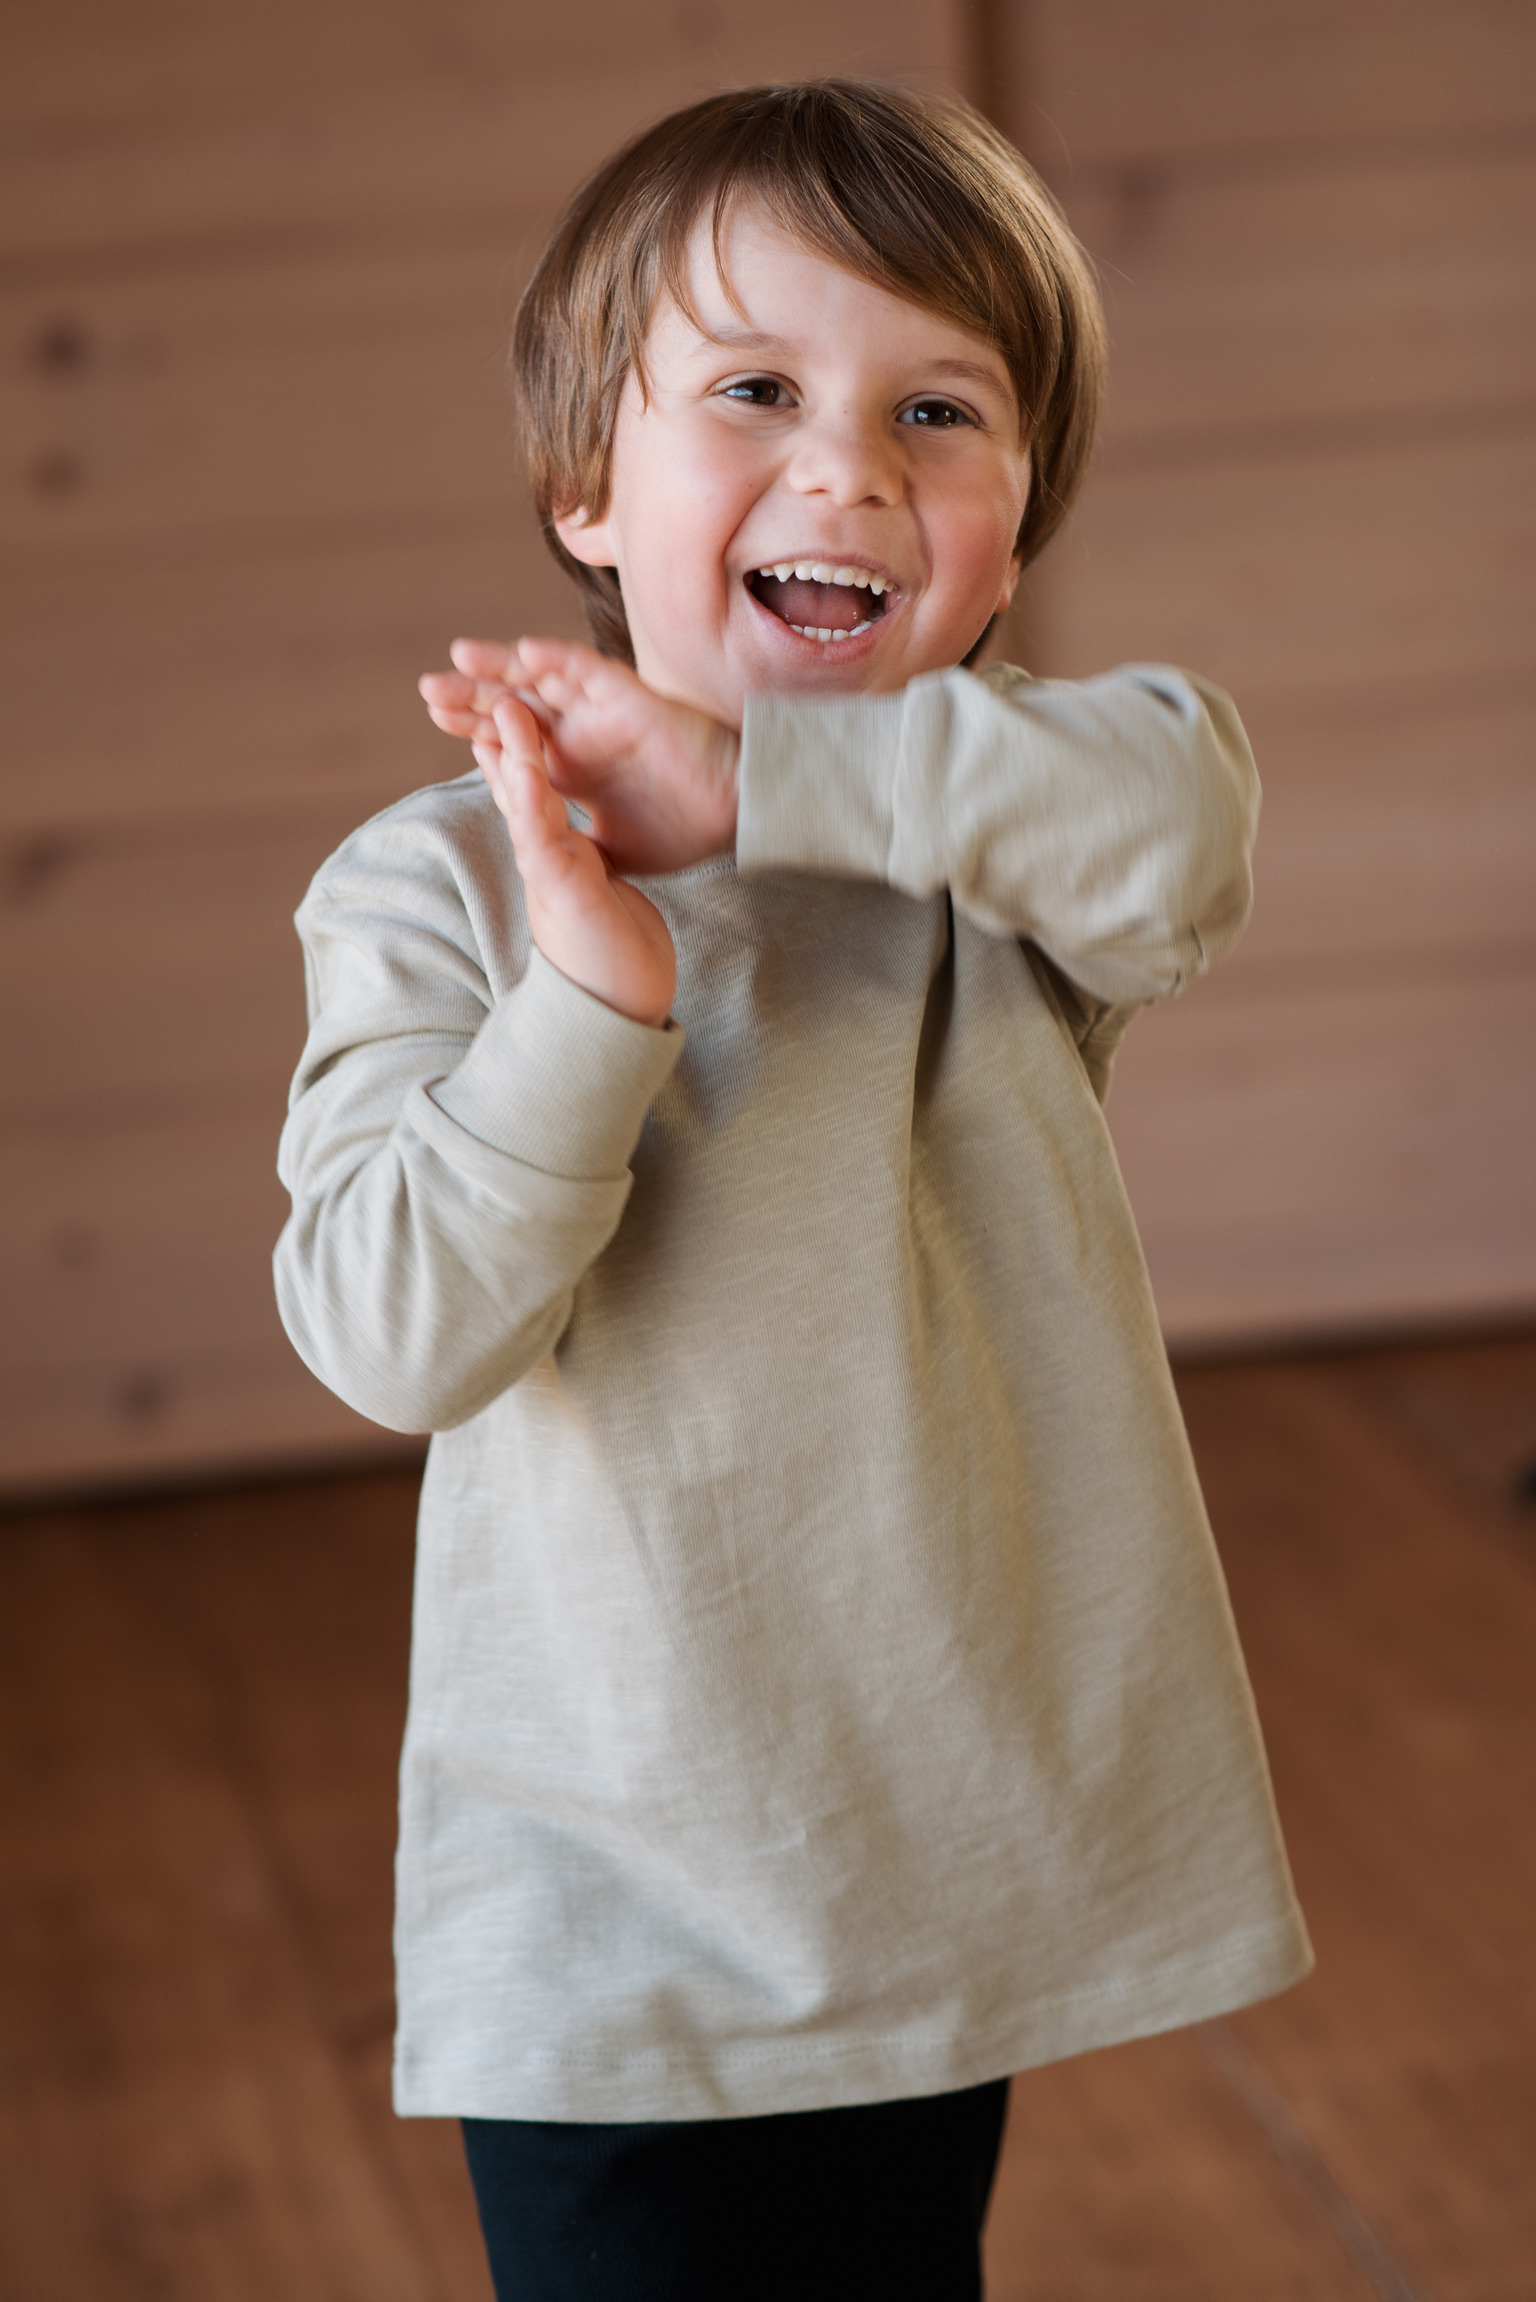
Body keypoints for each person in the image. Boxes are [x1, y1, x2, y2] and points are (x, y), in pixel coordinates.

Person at [274, 79, 1312, 2300]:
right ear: (586, 487)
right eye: (755, 387)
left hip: (924, 1872)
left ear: (1010, 537)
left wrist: (772, 779)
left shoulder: (976, 842)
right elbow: (389, 1327)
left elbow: (1189, 812)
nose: (850, 465)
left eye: (940, 410)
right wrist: (589, 992)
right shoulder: (435, 883)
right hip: (606, 1905)